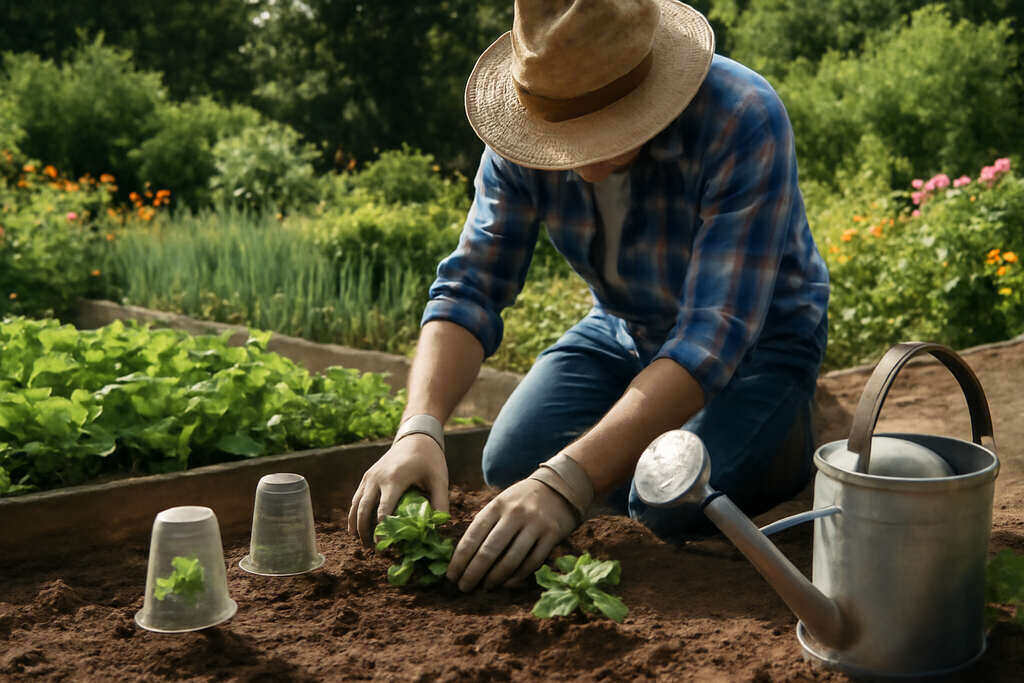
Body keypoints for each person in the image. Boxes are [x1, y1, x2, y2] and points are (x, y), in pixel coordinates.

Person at [348, 0, 829, 593]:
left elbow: (712, 337)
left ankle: (790, 430)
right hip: (624, 328)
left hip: (759, 348)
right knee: (508, 465)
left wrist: (568, 484)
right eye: (566, 133)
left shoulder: (741, 117)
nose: (582, 159)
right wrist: (418, 430)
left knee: (664, 504)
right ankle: (652, 438)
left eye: (606, 127)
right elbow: (471, 284)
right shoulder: (525, 122)